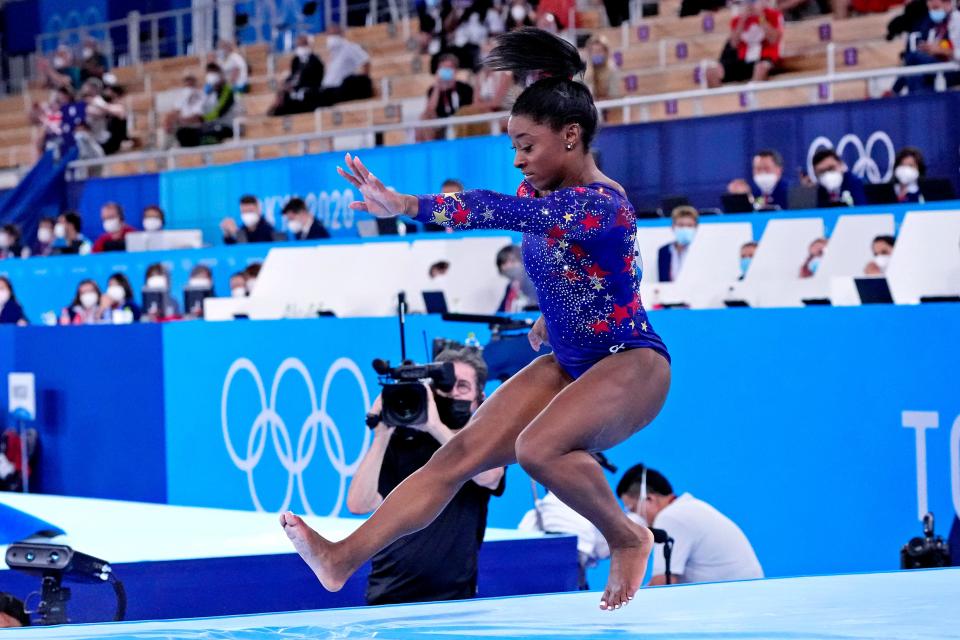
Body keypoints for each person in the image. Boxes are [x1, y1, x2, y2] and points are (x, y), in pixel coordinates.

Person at [282, 28, 672, 612]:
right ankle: (341, 559)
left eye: (527, 146)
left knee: (537, 448)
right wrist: (550, 314)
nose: (519, 160)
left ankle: (626, 535)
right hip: (572, 359)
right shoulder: (549, 192)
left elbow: (498, 208)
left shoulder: (602, 202)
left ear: (571, 137)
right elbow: (583, 269)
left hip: (632, 364)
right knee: (457, 456)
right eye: (513, 146)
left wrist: (408, 206)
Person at [346, 348, 505, 605]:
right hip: (388, 596)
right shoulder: (401, 440)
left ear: (480, 397)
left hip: (456, 600)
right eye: (446, 385)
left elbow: (489, 477)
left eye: (463, 386)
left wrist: (436, 428)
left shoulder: (483, 443)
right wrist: (382, 434)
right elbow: (359, 504)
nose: (452, 392)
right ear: (432, 392)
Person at [616, 464, 763, 585]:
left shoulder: (670, 517)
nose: (635, 518)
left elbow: (663, 583)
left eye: (633, 509)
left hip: (733, 604)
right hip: (745, 597)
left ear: (649, 499)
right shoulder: (689, 508)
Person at [706, 0, 784, 88]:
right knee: (711, 72)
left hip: (765, 58)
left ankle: (752, 98)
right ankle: (719, 100)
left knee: (760, 68)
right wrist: (743, 20)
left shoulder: (773, 15)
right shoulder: (738, 20)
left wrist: (760, 17)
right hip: (743, 60)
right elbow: (733, 44)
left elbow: (773, 40)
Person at [894, 0, 960, 95]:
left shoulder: (957, 20)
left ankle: (894, 91)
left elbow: (946, 51)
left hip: (954, 68)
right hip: (938, 68)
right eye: (930, 9)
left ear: (948, 3)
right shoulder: (936, 24)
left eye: (936, 8)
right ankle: (918, 103)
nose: (933, 12)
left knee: (914, 57)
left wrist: (943, 51)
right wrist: (928, 50)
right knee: (916, 76)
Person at [176, 63, 236, 147]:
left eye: (214, 72)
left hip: (225, 126)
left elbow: (218, 112)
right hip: (208, 126)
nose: (211, 75)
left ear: (220, 74)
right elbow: (199, 107)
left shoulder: (227, 90)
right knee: (183, 133)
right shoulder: (207, 91)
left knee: (201, 137)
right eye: (209, 73)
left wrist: (201, 118)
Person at [418, 54, 474, 141]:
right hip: (440, 125)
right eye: (443, 68)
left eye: (449, 67)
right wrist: (437, 86)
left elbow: (469, 110)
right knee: (424, 117)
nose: (446, 70)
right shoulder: (432, 90)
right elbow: (429, 111)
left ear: (455, 70)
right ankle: (432, 149)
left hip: (461, 123)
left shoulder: (466, 88)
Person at [270, 35, 325, 116]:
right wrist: (286, 83)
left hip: (309, 92)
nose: (300, 48)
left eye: (302, 45)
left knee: (287, 98)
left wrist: (294, 87)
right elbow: (293, 75)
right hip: (296, 90)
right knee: (282, 93)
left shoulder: (315, 61)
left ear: (308, 45)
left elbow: (314, 80)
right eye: (298, 45)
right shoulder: (296, 60)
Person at [318, 26, 373, 105]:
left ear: (341, 34)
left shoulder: (349, 47)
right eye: (329, 34)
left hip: (339, 87)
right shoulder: (332, 53)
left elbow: (365, 61)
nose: (331, 38)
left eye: (334, 34)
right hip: (327, 87)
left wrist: (363, 81)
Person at [657, 206, 699, 283]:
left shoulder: (699, 250)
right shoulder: (664, 251)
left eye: (689, 226)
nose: (685, 229)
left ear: (696, 228)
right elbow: (663, 281)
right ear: (673, 227)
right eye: (681, 225)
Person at [164, 73, 206, 145]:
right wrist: (168, 123)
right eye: (187, 81)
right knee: (171, 128)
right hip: (183, 125)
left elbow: (198, 117)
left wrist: (182, 120)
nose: (188, 83)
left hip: (195, 126)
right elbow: (175, 111)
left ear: (194, 82)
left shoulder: (201, 95)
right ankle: (165, 152)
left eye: (190, 80)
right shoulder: (182, 95)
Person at [496, 244, 539, 312]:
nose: (508, 266)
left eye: (512, 261)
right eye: (504, 263)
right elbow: (501, 312)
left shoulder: (535, 285)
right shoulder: (511, 287)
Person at [583, 36, 622, 102]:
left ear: (606, 52)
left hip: (608, 107)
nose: (596, 54)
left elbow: (614, 96)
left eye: (599, 51)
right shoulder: (584, 70)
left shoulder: (612, 70)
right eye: (593, 51)